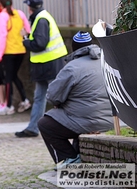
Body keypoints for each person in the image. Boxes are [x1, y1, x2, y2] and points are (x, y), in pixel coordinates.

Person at [38, 31, 113, 169]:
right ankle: (78, 153)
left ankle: (70, 157)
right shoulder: (108, 60)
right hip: (113, 121)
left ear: (74, 48)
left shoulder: (72, 68)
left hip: (88, 122)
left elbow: (52, 96)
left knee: (45, 124)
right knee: (76, 113)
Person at [15, 0, 67, 138]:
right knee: (40, 97)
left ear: (30, 7)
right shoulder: (40, 17)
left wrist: (25, 41)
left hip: (50, 64)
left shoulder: (41, 19)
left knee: (56, 98)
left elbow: (40, 44)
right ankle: (33, 128)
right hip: (45, 65)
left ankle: (65, 127)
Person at [0, 0, 31, 114]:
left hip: (9, 52)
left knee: (8, 79)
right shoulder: (20, 14)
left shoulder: (3, 16)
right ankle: (25, 99)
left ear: (1, 4)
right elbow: (28, 30)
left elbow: (2, 36)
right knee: (14, 75)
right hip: (21, 50)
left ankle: (9, 106)